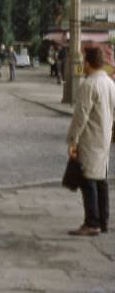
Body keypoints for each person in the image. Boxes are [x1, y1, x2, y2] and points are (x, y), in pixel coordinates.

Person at [67, 47, 114, 236]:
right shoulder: (110, 83)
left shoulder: (89, 84)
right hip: (104, 137)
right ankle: (103, 221)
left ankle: (91, 222)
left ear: (88, 63)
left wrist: (73, 140)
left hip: (90, 137)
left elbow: (81, 116)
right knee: (101, 179)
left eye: (84, 60)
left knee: (88, 179)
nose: (83, 64)